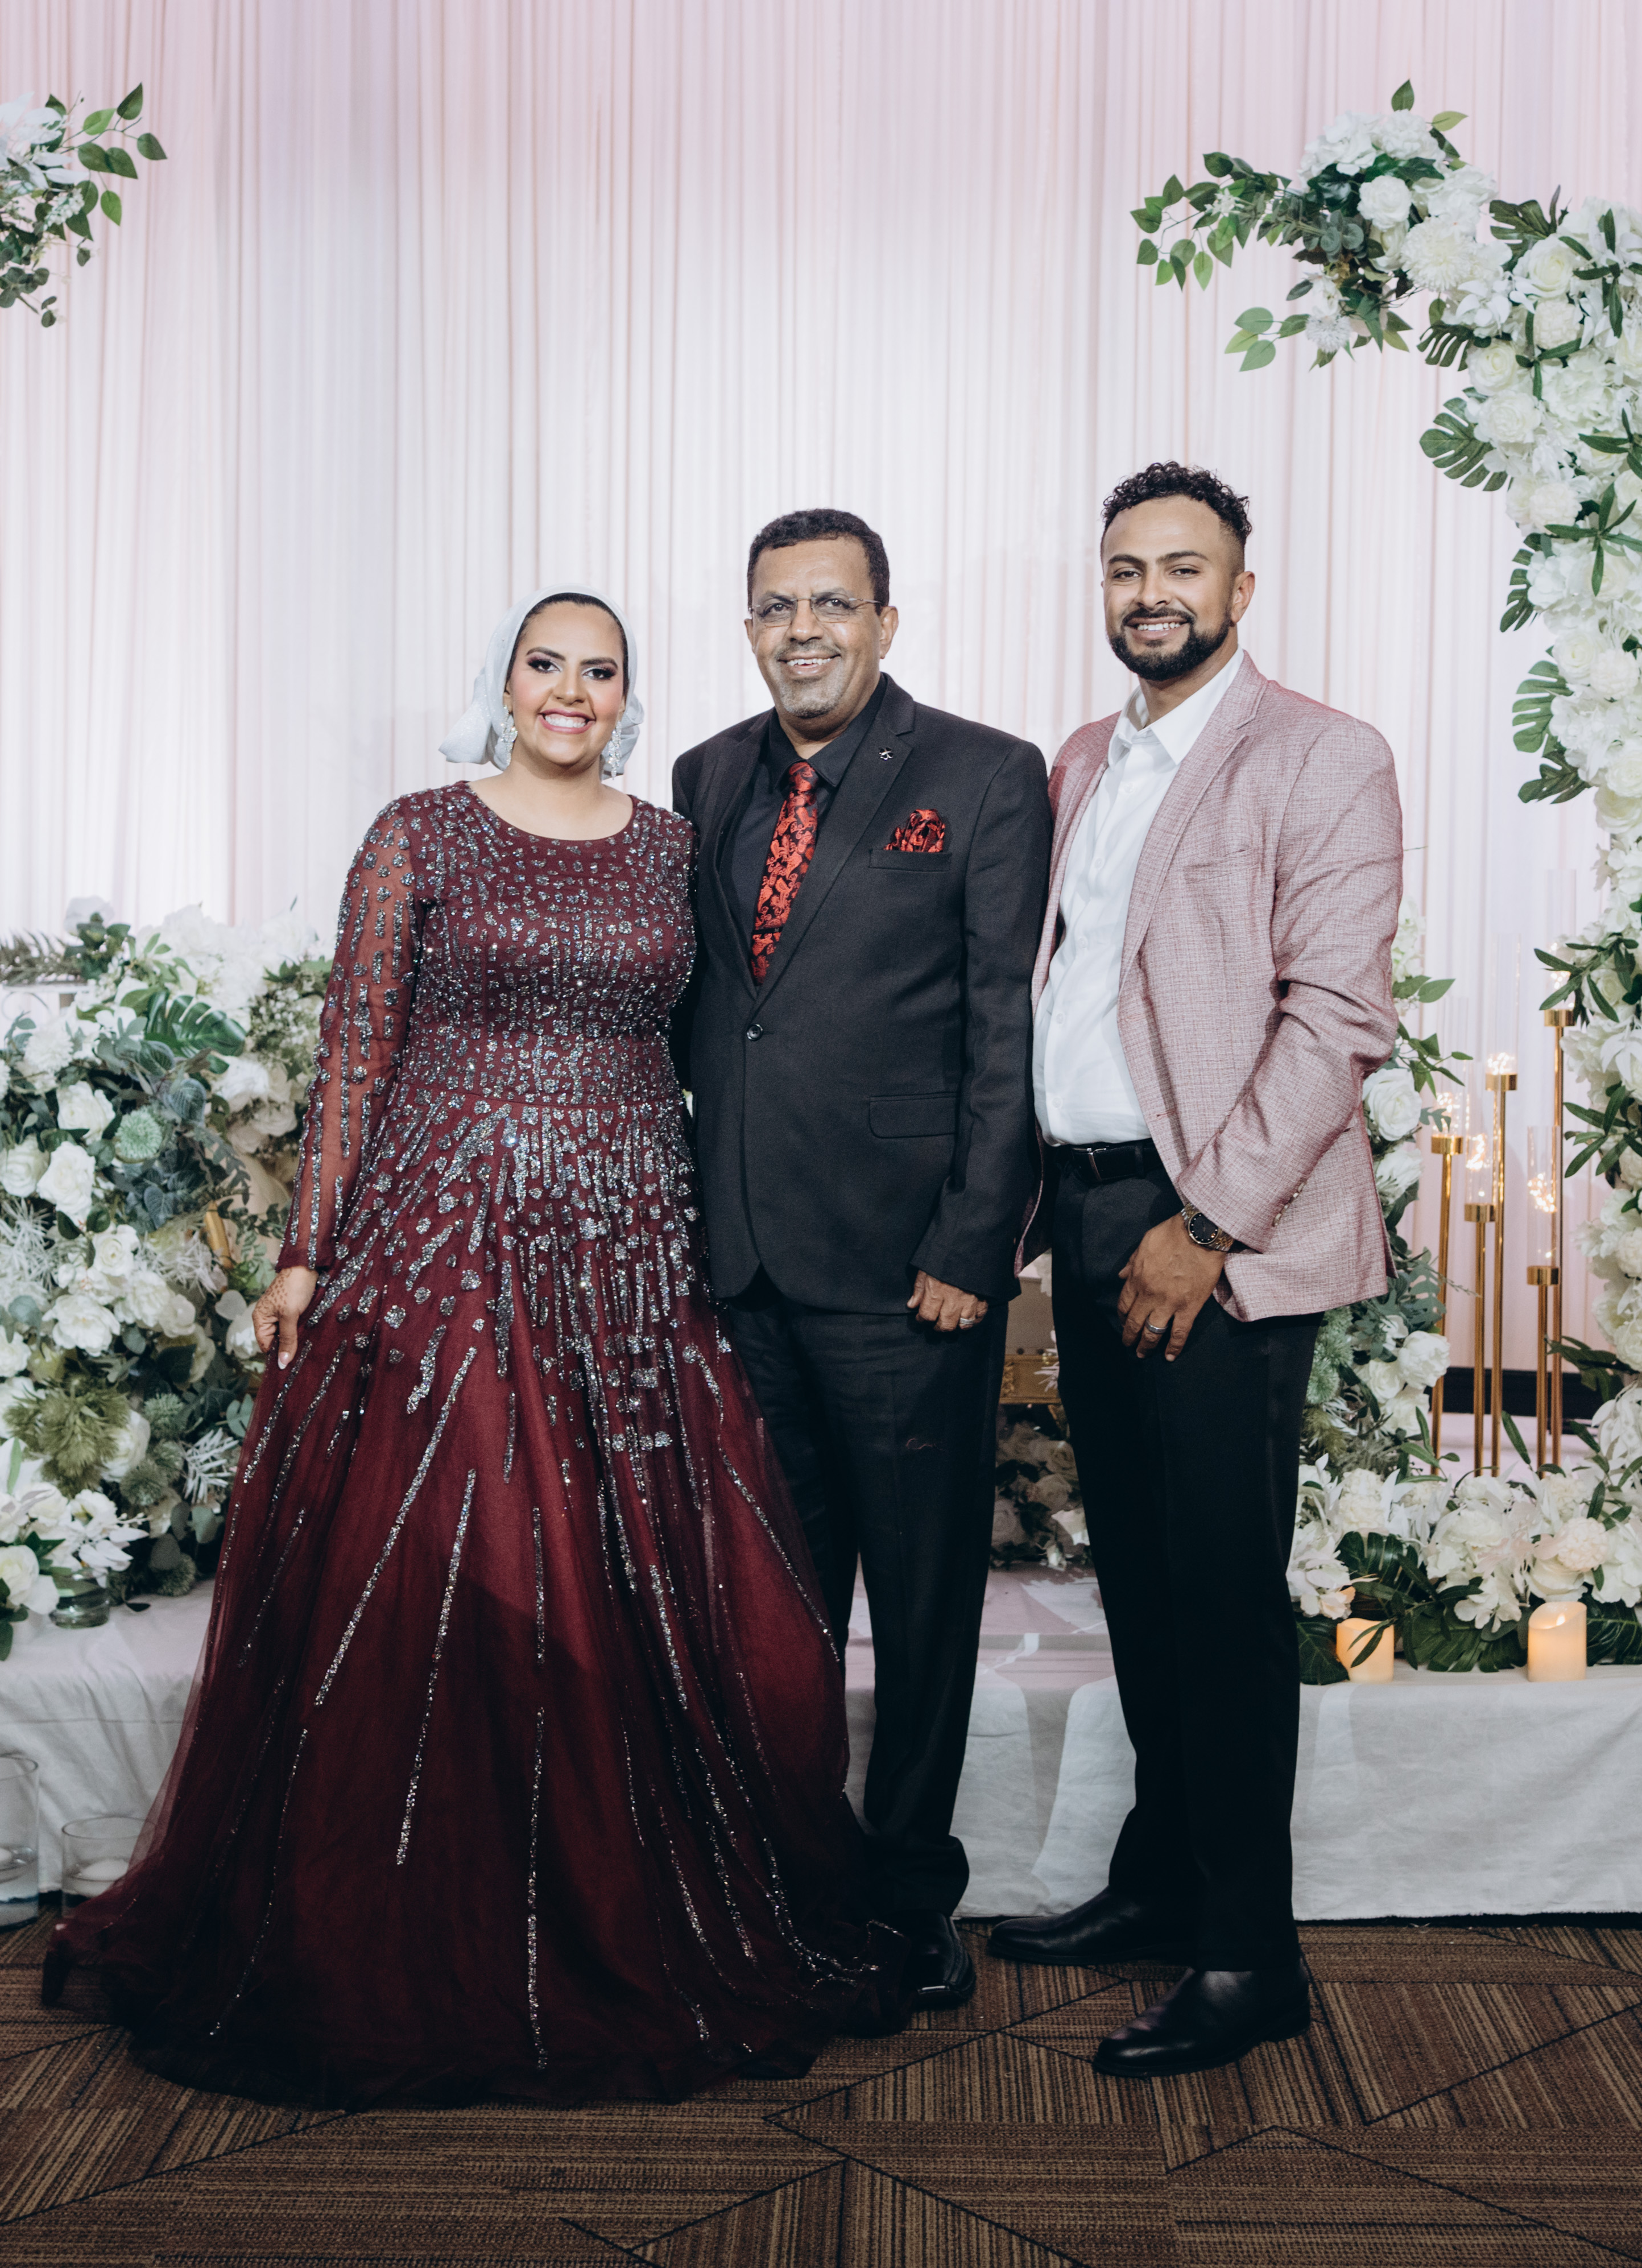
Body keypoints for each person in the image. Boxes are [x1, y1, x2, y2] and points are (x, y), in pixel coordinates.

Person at [47, 589, 907, 2104]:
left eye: (600, 670)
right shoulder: (418, 836)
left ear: (627, 697)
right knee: (450, 1563)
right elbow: (355, 1050)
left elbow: (727, 1044)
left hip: (628, 1253)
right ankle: (402, 1920)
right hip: (443, 1237)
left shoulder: (670, 847)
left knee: (625, 1573)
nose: (571, 690)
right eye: (545, 664)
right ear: (503, 683)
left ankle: (611, 1909)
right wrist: (307, 1251)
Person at [986, 464, 1402, 2079]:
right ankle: (1165, 1878)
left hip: (1215, 1229)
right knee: (1146, 1583)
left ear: (1241, 588)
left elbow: (1337, 1018)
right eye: (1126, 567)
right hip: (1092, 1209)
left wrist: (1206, 1222)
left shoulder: (1322, 754)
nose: (1152, 592)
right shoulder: (1084, 760)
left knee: (1221, 1596)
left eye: (1184, 566)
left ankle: (1250, 1956)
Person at [669, 509, 1050, 2010]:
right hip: (745, 1264)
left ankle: (906, 1898)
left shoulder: (983, 774)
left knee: (924, 1598)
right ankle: (788, 1880)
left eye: (834, 603)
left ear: (888, 621)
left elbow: (1007, 1030)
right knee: (777, 1603)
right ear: (749, 628)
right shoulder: (706, 775)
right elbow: (721, 1013)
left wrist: (975, 1237)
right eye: (777, 607)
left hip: (910, 1274)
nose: (804, 630)